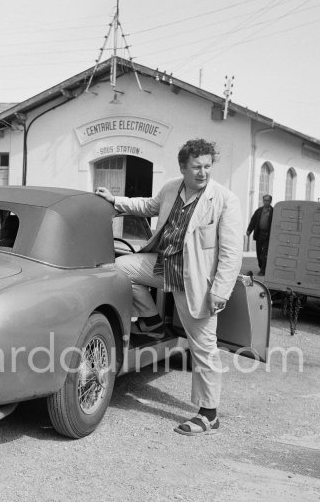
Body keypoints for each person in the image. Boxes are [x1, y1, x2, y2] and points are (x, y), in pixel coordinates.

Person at [95, 138, 243, 436]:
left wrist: (220, 291)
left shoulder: (225, 199)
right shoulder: (171, 188)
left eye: (207, 167)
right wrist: (114, 200)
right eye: (197, 167)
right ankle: (149, 316)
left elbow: (231, 253)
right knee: (118, 268)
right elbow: (148, 206)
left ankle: (209, 414)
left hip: (196, 282)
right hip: (163, 267)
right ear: (183, 167)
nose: (203, 173)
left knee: (203, 347)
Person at [246, 195, 273, 276]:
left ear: (270, 201)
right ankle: (262, 267)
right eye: (264, 200)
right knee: (259, 252)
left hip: (268, 235)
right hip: (259, 234)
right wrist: (249, 230)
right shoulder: (259, 211)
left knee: (264, 253)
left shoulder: (273, 211)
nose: (266, 202)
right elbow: (253, 221)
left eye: (267, 200)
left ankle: (263, 270)